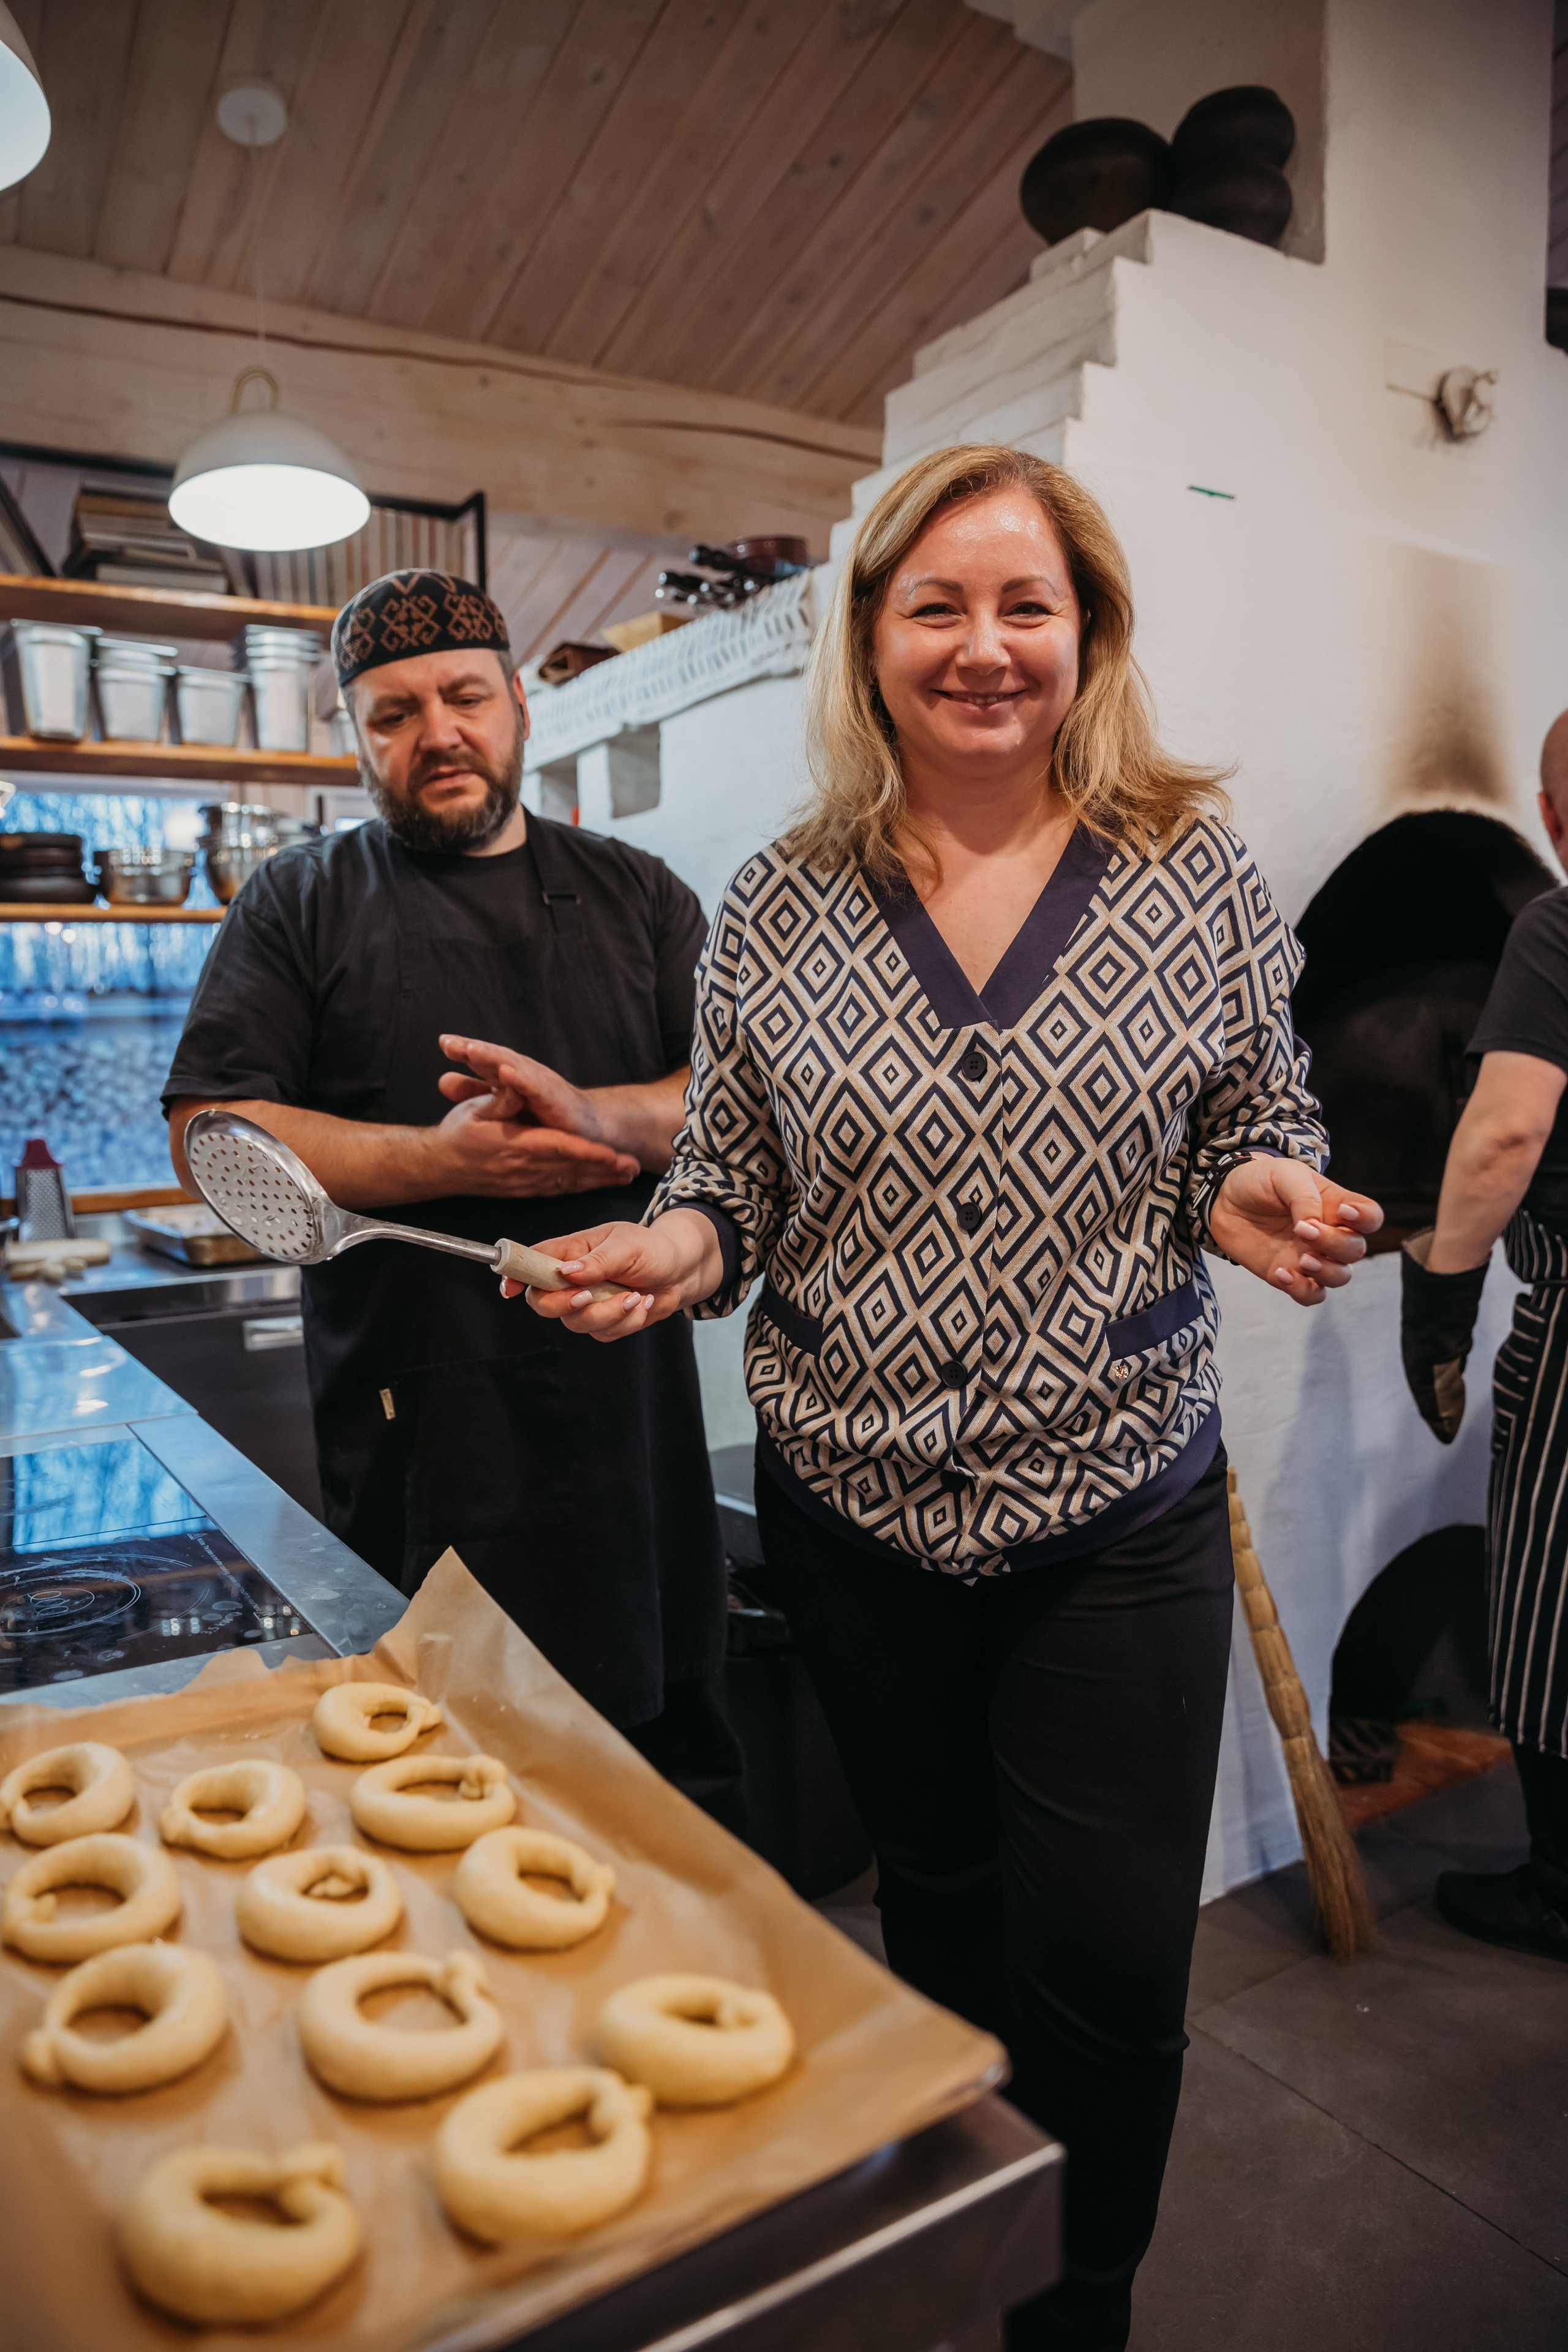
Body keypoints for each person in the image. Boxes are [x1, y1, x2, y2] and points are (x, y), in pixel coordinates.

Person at [504, 447, 1382, 2352]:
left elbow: (1262, 1114)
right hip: (856, 1509)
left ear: (1089, 633)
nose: (985, 649)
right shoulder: (783, 902)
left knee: (1117, 1959)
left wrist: (1258, 1190)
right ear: (873, 635)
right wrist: (676, 1250)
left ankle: (1075, 2313)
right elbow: (728, 1173)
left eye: (1027, 606)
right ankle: (968, 2248)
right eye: (939, 607)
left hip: (1115, 1502)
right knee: (944, 1905)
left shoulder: (1192, 871)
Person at [163, 568, 742, 1828]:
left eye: (465, 696)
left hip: (629, 1439)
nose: (437, 733)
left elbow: (739, 1100)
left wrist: (597, 1115)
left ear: (518, 704)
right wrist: (444, 1163)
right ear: (354, 735)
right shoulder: (300, 902)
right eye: (393, 712)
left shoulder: (642, 897)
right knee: (432, 1812)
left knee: (663, 1821)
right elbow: (208, 1131)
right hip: (414, 1433)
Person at [1400, 707, 1568, 1964]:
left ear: (1552, 819)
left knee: (1553, 1606)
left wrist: (1440, 1296)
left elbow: (1502, 1131)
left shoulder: (1555, 926)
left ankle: (1558, 1891)